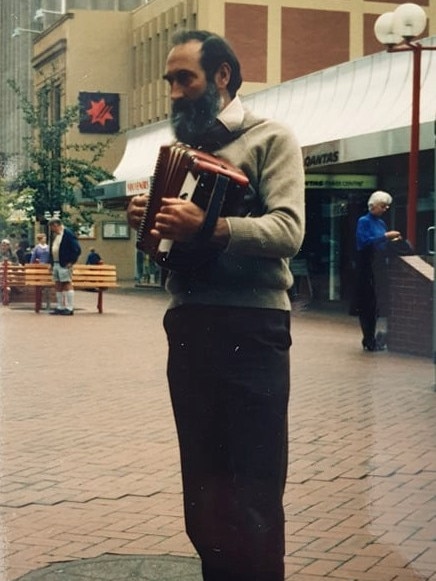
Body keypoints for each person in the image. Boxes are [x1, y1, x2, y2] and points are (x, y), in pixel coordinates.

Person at [127, 30, 305, 581]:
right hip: (189, 323)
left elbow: (290, 229)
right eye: (171, 82)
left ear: (222, 76)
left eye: (187, 79)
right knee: (202, 490)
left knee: (252, 486)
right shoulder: (181, 155)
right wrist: (151, 224)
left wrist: (213, 225)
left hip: (253, 327)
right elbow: (170, 248)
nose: (175, 92)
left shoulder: (270, 138)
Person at [353, 190, 401, 351]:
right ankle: (368, 338)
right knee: (367, 303)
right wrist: (385, 237)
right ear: (372, 206)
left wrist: (391, 241)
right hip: (366, 266)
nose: (385, 209)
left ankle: (370, 338)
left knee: (376, 303)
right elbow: (363, 242)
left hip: (378, 265)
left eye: (387, 206)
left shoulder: (381, 223)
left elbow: (382, 245)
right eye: (383, 206)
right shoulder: (364, 221)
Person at [48, 217, 81, 316]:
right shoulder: (55, 235)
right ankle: (60, 306)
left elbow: (77, 249)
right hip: (56, 262)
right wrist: (51, 263)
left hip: (65, 263)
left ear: (56, 225)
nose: (51, 230)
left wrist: (72, 261)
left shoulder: (68, 234)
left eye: (52, 227)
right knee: (58, 284)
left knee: (67, 283)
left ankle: (69, 307)